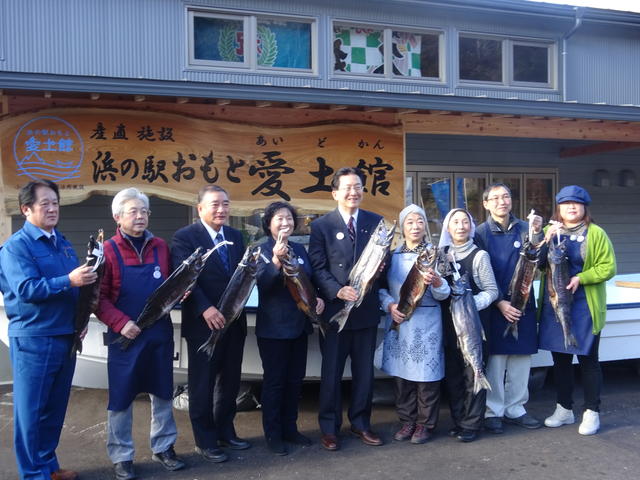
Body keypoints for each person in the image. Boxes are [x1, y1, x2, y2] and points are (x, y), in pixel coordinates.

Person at [0, 179, 97, 480]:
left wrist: (80, 320)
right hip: (35, 338)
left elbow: (74, 289)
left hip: (65, 335)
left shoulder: (62, 242)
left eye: (55, 203)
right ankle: (33, 474)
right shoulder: (16, 247)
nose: (53, 208)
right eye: (45, 204)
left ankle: (49, 467)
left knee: (54, 409)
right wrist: (69, 280)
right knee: (31, 413)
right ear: (26, 209)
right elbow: (26, 289)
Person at [95, 188, 185, 480]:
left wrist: (182, 294)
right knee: (121, 398)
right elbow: (98, 298)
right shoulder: (107, 250)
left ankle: (164, 447)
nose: (140, 216)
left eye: (144, 211)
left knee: (162, 392)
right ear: (117, 216)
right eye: (133, 211)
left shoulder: (160, 246)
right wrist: (121, 323)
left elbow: (172, 285)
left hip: (158, 332)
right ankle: (121, 456)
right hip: (124, 337)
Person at [171, 185, 251, 463]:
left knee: (230, 381)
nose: (221, 210)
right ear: (200, 208)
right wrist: (205, 308)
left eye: (226, 204)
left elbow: (242, 276)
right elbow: (185, 279)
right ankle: (204, 440)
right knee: (201, 383)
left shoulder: (234, 235)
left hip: (233, 321)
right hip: (203, 323)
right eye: (215, 204)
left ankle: (225, 431)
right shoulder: (185, 237)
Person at [308, 167, 386, 451]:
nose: (354, 192)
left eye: (358, 187)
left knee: (365, 373)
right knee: (331, 373)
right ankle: (329, 428)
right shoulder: (321, 226)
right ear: (335, 193)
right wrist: (337, 290)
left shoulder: (376, 223)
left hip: (365, 311)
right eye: (348, 188)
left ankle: (361, 423)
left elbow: (382, 263)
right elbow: (317, 267)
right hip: (334, 313)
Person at [539, 185, 616, 435]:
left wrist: (582, 278)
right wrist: (546, 238)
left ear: (584, 207)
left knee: (588, 361)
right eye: (566, 203)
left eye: (576, 203)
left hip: (585, 305)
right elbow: (536, 263)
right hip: (555, 304)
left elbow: (608, 267)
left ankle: (592, 411)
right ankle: (564, 408)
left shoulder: (596, 233)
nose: (571, 207)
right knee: (560, 360)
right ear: (558, 208)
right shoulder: (548, 232)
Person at [255, 201, 325, 455]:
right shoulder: (260, 250)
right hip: (273, 329)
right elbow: (262, 285)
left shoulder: (299, 248)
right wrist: (275, 260)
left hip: (299, 325)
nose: (285, 223)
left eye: (289, 218)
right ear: (269, 224)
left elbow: (309, 280)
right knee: (275, 383)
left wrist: (317, 297)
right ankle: (273, 435)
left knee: (295, 382)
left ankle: (290, 429)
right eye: (279, 219)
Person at [377, 204, 450, 444]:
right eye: (409, 222)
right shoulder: (392, 256)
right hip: (399, 319)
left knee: (426, 377)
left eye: (420, 221)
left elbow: (445, 294)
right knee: (402, 378)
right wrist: (390, 306)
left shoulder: (436, 255)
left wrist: (438, 282)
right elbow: (381, 289)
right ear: (402, 227)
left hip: (427, 321)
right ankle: (407, 421)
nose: (415, 226)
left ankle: (425, 424)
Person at [474, 184, 543, 434]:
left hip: (523, 303)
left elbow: (541, 259)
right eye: (495, 198)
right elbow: (477, 274)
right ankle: (493, 410)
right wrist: (499, 302)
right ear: (486, 204)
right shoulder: (480, 233)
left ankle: (517, 408)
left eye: (506, 196)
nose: (501, 202)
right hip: (495, 305)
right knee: (496, 360)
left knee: (521, 359)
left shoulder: (527, 228)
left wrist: (538, 233)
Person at [439, 208, 498, 443]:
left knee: (473, 372)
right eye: (456, 222)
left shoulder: (479, 256)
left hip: (474, 325)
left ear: (471, 227)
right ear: (448, 227)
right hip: (448, 325)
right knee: (453, 376)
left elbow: (492, 291)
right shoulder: (441, 253)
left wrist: (469, 304)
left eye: (465, 221)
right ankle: (459, 420)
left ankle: (473, 424)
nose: (461, 226)